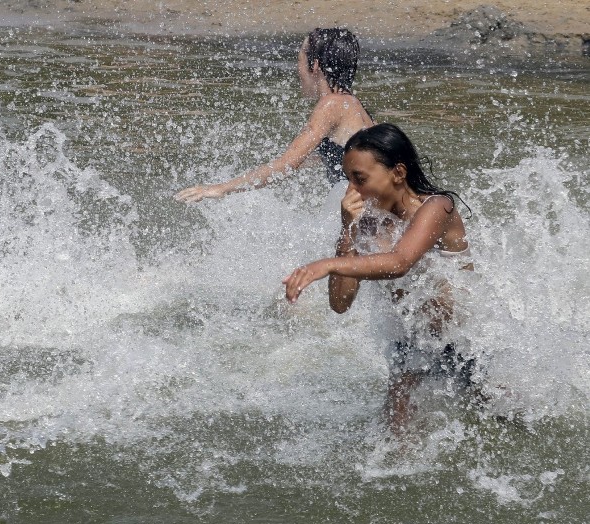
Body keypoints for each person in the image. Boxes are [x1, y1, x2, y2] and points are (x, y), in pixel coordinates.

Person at [282, 123, 477, 435]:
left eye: (360, 179)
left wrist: (327, 265)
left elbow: (400, 263)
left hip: (461, 342)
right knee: (396, 435)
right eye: (348, 180)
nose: (352, 191)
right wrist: (347, 231)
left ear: (397, 173)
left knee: (503, 413)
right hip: (411, 343)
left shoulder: (437, 207)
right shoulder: (369, 223)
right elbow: (340, 303)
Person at [175, 28, 373, 202]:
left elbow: (287, 164)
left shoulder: (331, 104)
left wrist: (220, 188)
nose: (298, 71)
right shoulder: (356, 106)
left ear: (314, 65)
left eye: (300, 60)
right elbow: (338, 158)